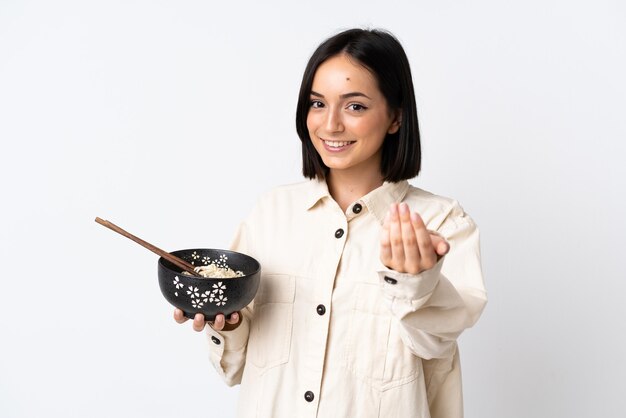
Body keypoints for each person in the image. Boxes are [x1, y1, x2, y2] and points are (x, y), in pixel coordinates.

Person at [174, 28, 487, 418]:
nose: (330, 125)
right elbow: (234, 369)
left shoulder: (442, 223)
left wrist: (417, 281)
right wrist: (229, 324)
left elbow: (434, 343)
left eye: (355, 106)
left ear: (395, 117)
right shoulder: (270, 214)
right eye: (317, 104)